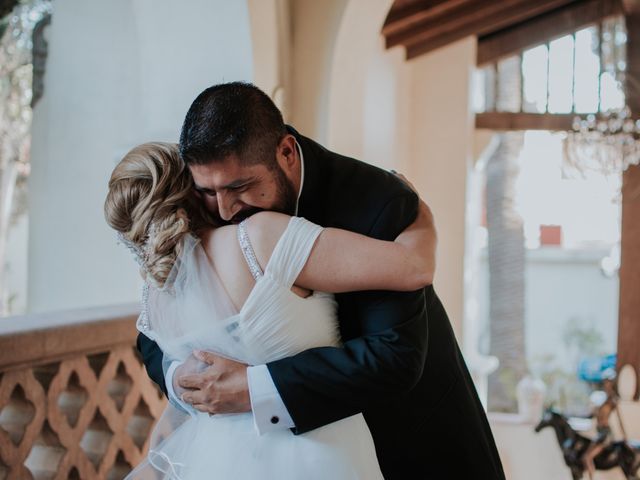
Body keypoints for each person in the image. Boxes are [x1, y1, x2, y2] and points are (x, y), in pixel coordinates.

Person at [138, 82, 506, 479]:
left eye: (239, 187)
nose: (225, 210)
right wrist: (184, 383)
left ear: (286, 152)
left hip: (406, 439)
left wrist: (253, 388)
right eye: (208, 191)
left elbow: (394, 357)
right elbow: (152, 330)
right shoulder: (209, 202)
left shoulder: (378, 201)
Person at [105, 141, 437, 478]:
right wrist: (419, 215)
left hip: (217, 460)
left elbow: (162, 359)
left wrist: (178, 385)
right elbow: (414, 267)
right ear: (192, 187)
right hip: (318, 455)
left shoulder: (155, 292)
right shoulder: (260, 237)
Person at [582, 370, 626, 479]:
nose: (606, 384)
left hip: (605, 433)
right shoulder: (602, 397)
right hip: (600, 432)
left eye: (608, 382)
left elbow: (619, 415)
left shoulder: (612, 399)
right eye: (605, 382)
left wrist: (624, 434)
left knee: (587, 457)